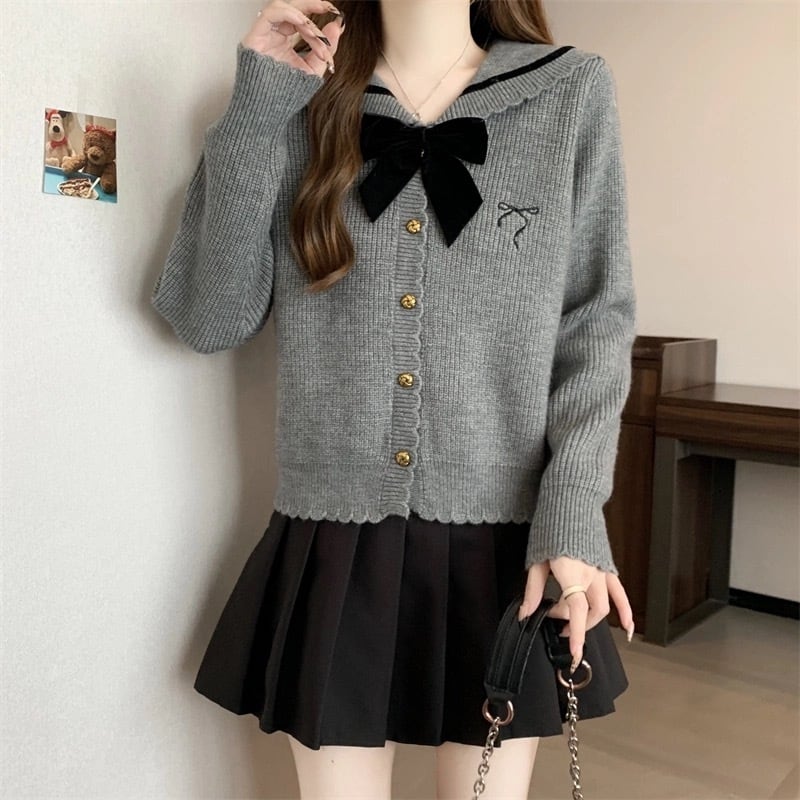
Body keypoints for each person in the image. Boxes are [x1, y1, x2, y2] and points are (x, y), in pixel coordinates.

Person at [150, 0, 638, 797]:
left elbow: (594, 324)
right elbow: (210, 319)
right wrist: (259, 103)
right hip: (334, 540)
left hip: (505, 547)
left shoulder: (569, 91)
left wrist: (575, 513)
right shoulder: (299, 96)